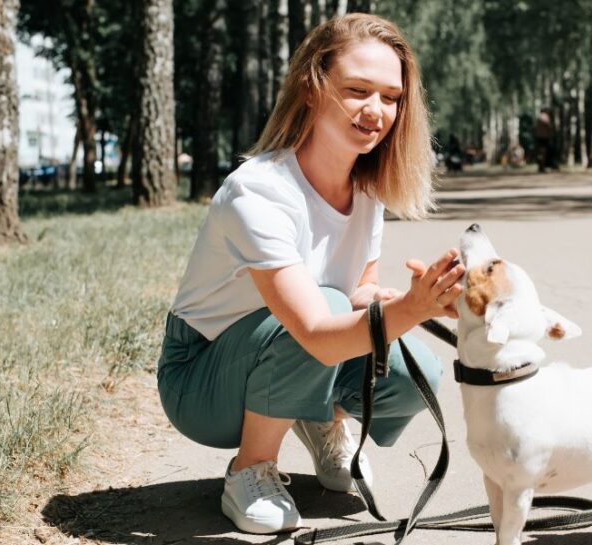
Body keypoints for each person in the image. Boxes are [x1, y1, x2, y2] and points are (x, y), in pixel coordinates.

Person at [156, 14, 465, 535]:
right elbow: (319, 334)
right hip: (200, 380)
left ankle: (326, 423)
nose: (377, 111)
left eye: (391, 97)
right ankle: (249, 469)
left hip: (287, 345)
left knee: (420, 370)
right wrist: (410, 309)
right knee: (330, 307)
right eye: (358, 90)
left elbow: (357, 288)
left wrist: (402, 298)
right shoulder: (259, 191)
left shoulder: (364, 191)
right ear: (312, 86)